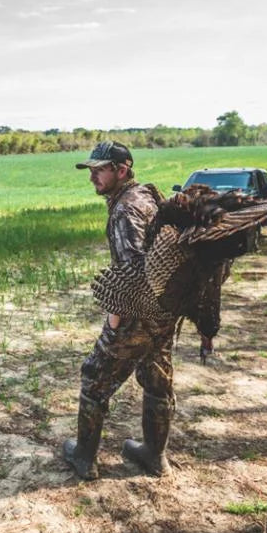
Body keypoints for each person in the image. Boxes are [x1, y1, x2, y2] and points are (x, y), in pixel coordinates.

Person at [63, 141, 177, 479]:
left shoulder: (125, 209)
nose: (92, 178)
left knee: (95, 378)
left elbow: (133, 271)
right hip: (165, 311)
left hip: (136, 313)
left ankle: (85, 458)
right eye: (91, 170)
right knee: (158, 380)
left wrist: (115, 319)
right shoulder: (148, 197)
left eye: (99, 170)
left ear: (122, 170)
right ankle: (154, 457)